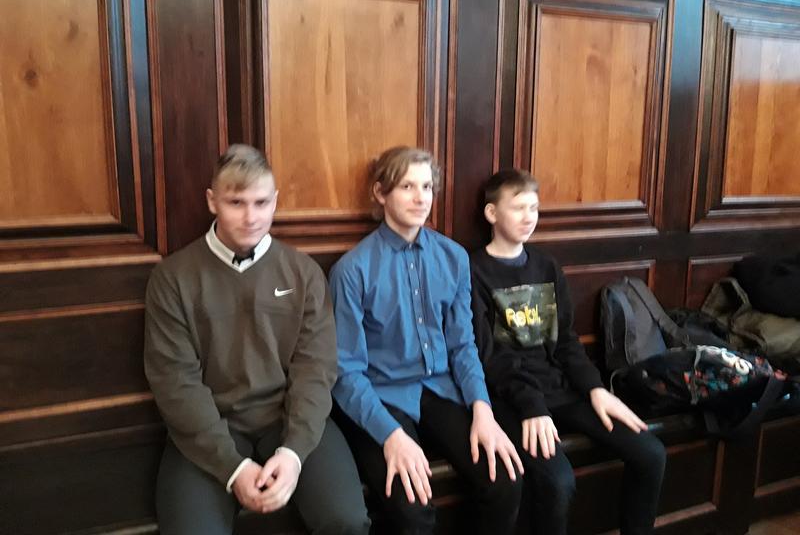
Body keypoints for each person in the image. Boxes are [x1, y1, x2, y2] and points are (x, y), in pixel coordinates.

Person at [144, 144, 370, 535]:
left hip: (288, 419)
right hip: (209, 429)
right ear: (212, 201)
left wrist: (294, 452)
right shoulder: (173, 278)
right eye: (236, 203)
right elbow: (175, 382)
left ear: (275, 201)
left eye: (261, 203)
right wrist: (233, 469)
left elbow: (315, 369)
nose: (251, 217)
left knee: (346, 521)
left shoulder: (302, 272)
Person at [329, 146, 524, 535]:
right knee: (412, 508)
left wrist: (482, 409)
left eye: (427, 187)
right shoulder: (351, 270)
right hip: (380, 396)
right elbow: (346, 373)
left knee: (504, 478)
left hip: (440, 389)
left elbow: (463, 345)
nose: (421, 198)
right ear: (381, 193)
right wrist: (391, 436)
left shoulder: (453, 257)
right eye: (407, 186)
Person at [469, 168, 666, 535]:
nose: (529, 217)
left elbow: (566, 341)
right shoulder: (473, 270)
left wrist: (596, 390)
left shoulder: (547, 266)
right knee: (558, 482)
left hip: (561, 388)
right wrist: (532, 405)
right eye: (519, 208)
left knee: (651, 454)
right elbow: (489, 356)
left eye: (534, 208)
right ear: (492, 213)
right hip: (511, 398)